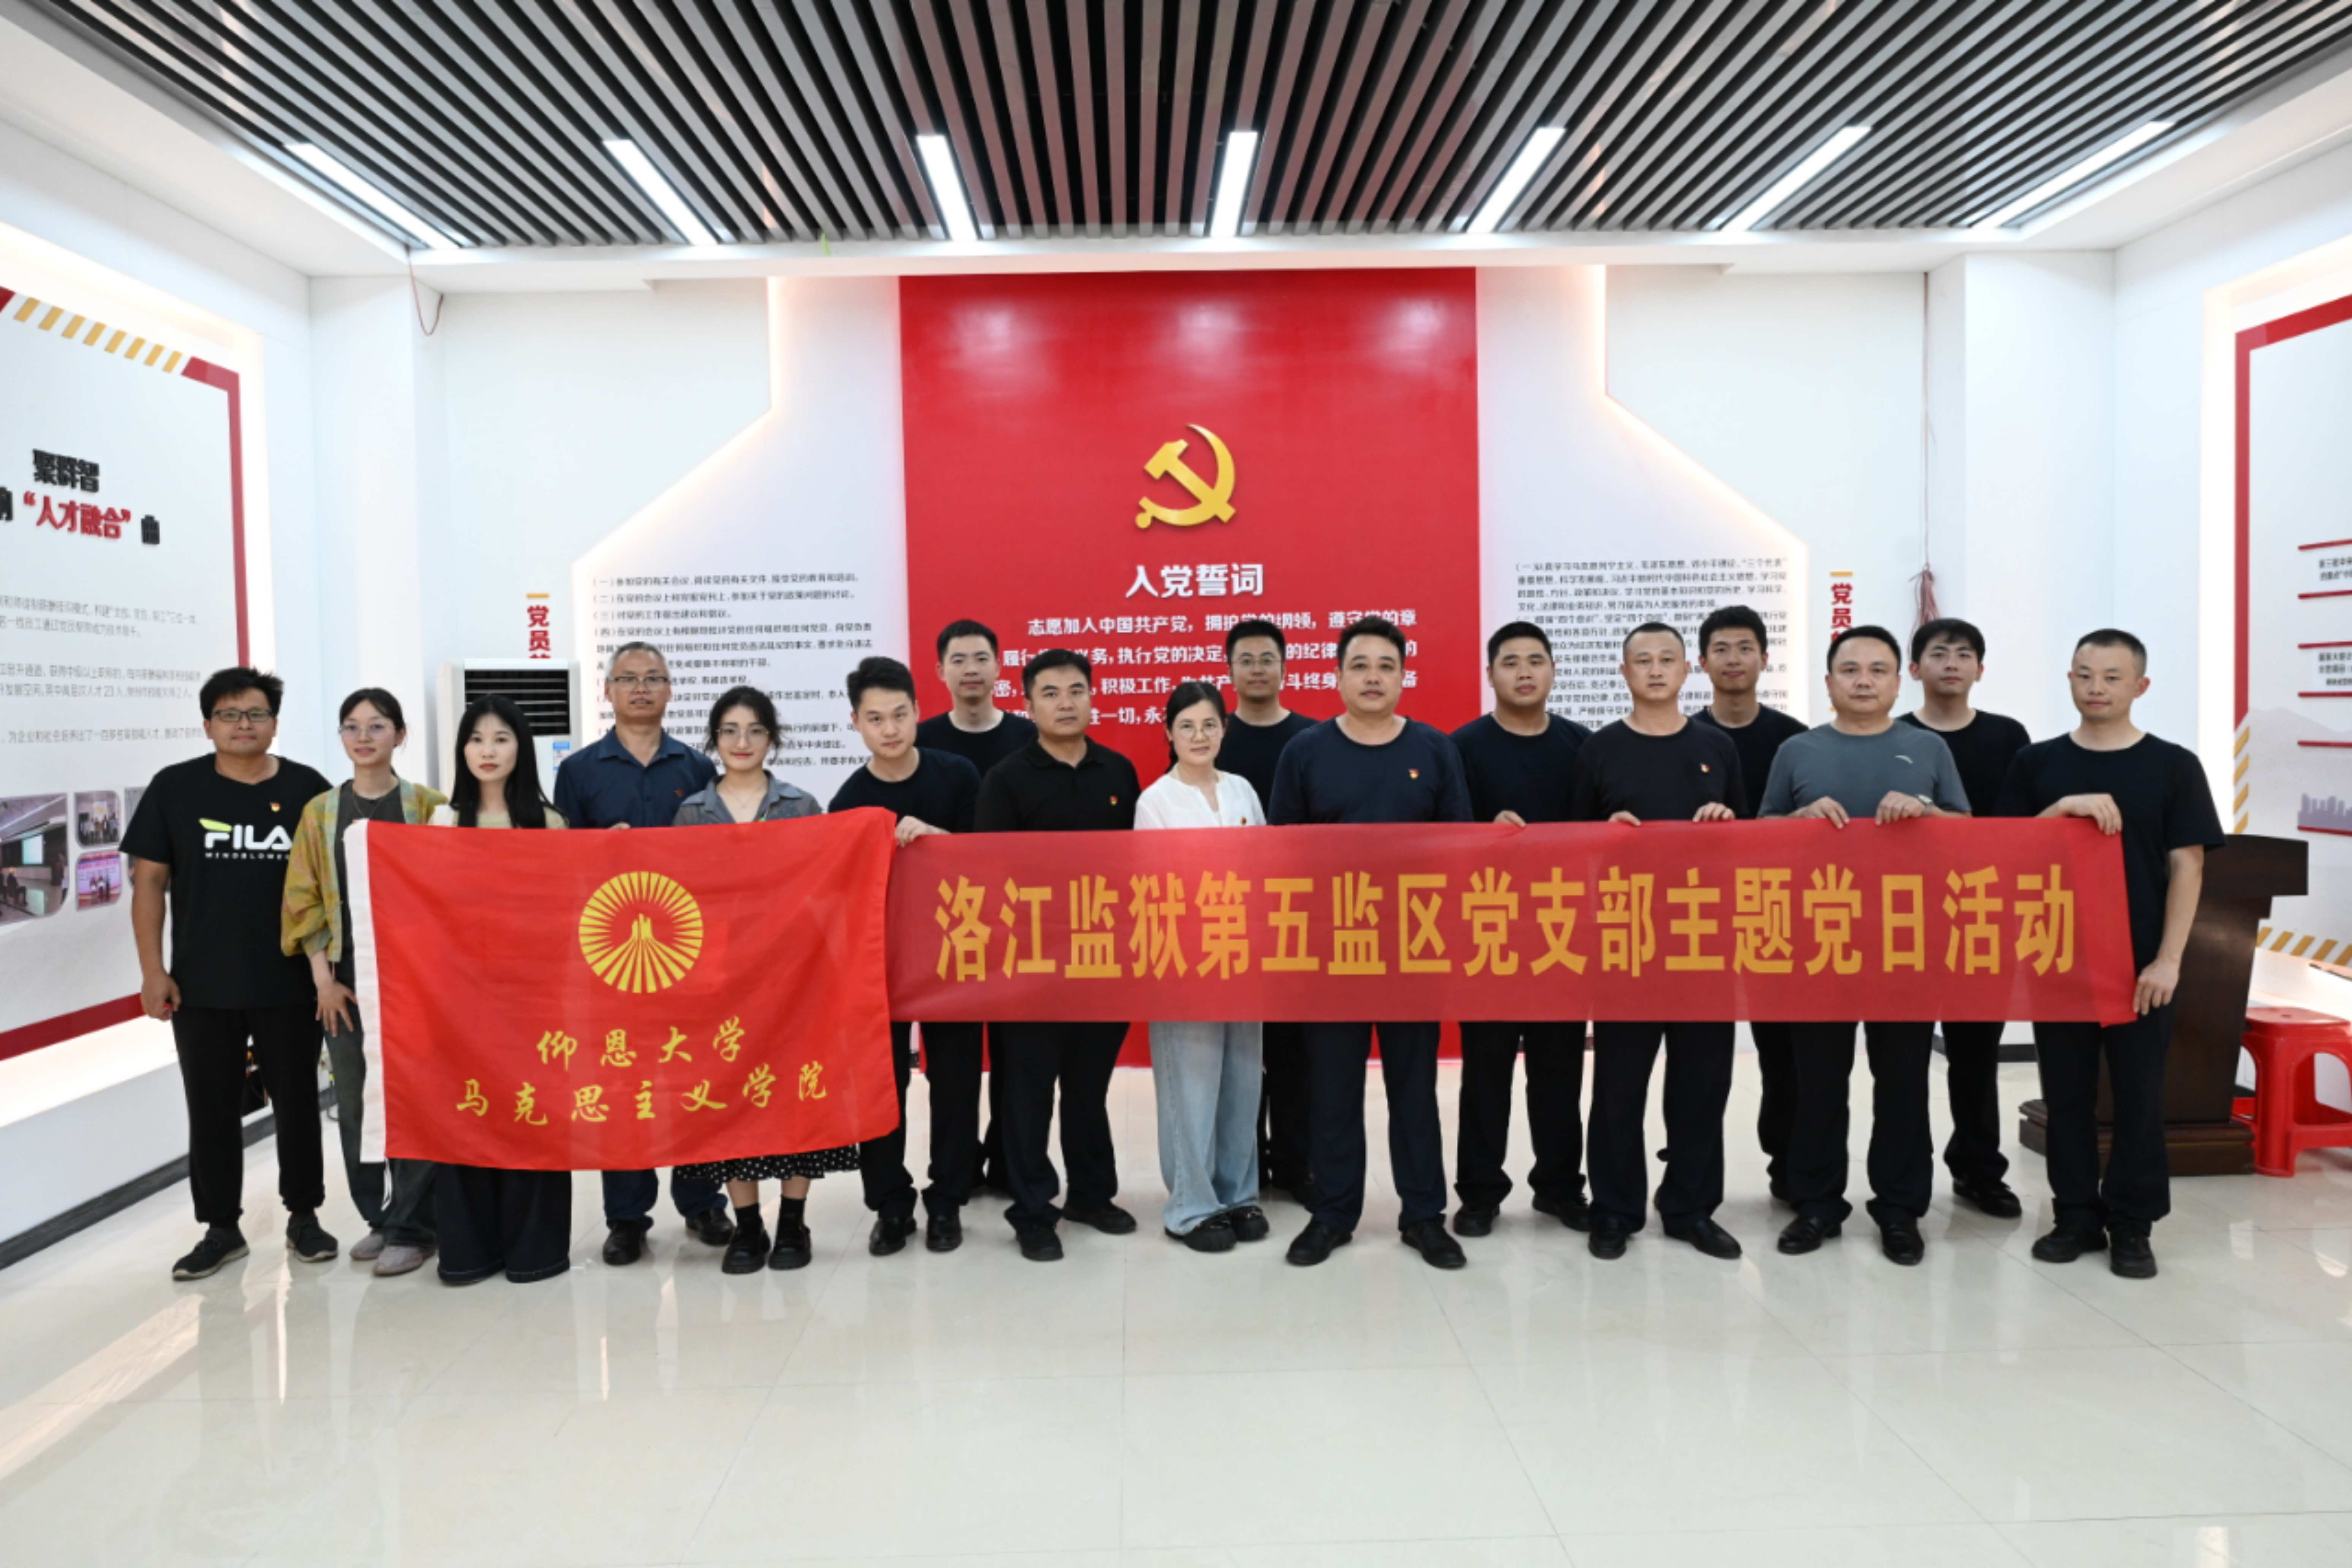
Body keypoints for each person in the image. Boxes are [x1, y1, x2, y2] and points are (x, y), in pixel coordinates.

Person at [1998, 629, 2221, 1280]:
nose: (2096, 688)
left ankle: (2132, 1222)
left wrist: (2169, 960)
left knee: (2139, 1096)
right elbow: (2004, 851)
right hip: (2057, 953)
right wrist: (2061, 808)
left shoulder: (2174, 766)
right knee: (2065, 1096)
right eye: (2084, 674)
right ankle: (2074, 1215)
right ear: (2069, 679)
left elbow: (2188, 866)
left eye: (2112, 677)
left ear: (2140, 686)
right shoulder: (2036, 763)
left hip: (2140, 962)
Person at [1761, 624, 1970, 1267]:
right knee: (1818, 1083)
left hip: (1905, 945)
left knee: (1903, 1082)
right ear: (1828, 682)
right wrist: (1795, 822)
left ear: (1898, 682)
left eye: (1878, 670)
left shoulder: (1928, 748)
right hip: (1819, 943)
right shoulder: (1797, 750)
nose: (1863, 681)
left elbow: (1969, 834)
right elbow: (1760, 834)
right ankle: (1817, 1204)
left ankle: (1900, 1210)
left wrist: (1927, 814)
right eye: (1850, 670)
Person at [1270, 616, 1471, 1271]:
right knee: (1331, 1091)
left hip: (1413, 948)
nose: (1374, 678)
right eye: (1360, 666)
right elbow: (1283, 855)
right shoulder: (1305, 752)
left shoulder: (1435, 750)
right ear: (1337, 677)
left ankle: (1424, 1216)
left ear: (1404, 676)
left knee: (1415, 1090)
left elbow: (1458, 849)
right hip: (1334, 951)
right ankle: (1333, 1214)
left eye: (1387, 666)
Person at [127, 667, 338, 1281]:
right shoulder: (175, 788)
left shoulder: (308, 789)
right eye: (229, 714)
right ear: (208, 725)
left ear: (274, 723)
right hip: (202, 985)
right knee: (211, 1107)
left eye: (256, 714)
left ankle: (304, 1217)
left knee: (298, 1103)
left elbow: (335, 882)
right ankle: (221, 1228)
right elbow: (149, 883)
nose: (243, 725)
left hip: (291, 981)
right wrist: (153, 972)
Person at [550, 640, 734, 1266]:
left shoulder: (698, 766)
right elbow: (561, 865)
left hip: (688, 949)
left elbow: (718, 857)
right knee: (622, 1079)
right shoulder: (579, 771)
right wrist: (602, 850)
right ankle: (627, 1216)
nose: (641, 688)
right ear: (607, 691)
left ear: (670, 690)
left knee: (692, 1074)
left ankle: (702, 1200)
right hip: (611, 955)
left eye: (654, 678)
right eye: (628, 678)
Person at [1568, 623, 1747, 1261]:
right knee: (1619, 1087)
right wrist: (1604, 834)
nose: (1655, 669)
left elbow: (1749, 843)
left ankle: (1690, 1208)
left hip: (1704, 942)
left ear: (1686, 669)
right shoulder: (1599, 750)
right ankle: (1615, 1209)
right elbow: (1570, 849)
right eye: (1642, 660)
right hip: (1627, 941)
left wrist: (1726, 823)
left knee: (1702, 1085)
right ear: (1624, 673)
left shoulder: (1717, 747)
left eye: (1667, 659)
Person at [668, 685, 854, 1273]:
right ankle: (747, 1227)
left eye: (754, 730)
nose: (742, 742)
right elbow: (678, 903)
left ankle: (793, 1222)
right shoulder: (693, 812)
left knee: (796, 1096)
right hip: (720, 982)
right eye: (730, 731)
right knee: (732, 1099)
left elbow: (830, 889)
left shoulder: (800, 805)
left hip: (794, 979)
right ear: (714, 740)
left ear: (772, 738)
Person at [973, 649, 1141, 1261]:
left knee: (1089, 1087)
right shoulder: (1007, 779)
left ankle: (1092, 1195)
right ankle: (1033, 1210)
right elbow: (991, 877)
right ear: (1028, 704)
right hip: (1032, 966)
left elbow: (1138, 866)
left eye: (1076, 691)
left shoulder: (1118, 772)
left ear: (1092, 698)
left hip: (1103, 960)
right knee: (1029, 1093)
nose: (1066, 703)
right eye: (1050, 693)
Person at [279, 688, 447, 1277]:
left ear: (400, 735)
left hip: (418, 982)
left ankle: (415, 1227)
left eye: (377, 726)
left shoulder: (429, 806)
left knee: (415, 1100)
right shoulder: (321, 812)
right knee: (355, 1102)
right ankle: (380, 1217)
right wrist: (323, 981)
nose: (364, 737)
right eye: (352, 727)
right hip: (347, 979)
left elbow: (452, 894)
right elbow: (302, 900)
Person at [828, 656, 986, 1255]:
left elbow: (991, 862)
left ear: (919, 712)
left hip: (954, 955)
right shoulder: (849, 802)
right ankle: (890, 1204)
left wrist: (941, 844)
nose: (890, 729)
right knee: (880, 1083)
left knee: (956, 1080)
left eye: (900, 714)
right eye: (876, 719)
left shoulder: (959, 776)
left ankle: (948, 1199)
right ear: (856, 723)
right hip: (879, 965)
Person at [1448, 622, 1593, 1237]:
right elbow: (1442, 837)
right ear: (1491, 675)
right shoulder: (1461, 747)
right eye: (1511, 662)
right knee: (1487, 1073)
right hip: (1490, 931)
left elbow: (1599, 837)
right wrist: (1483, 836)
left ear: (1554, 671)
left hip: (1562, 931)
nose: (1525, 672)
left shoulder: (1582, 745)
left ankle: (1559, 1187)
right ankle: (1480, 1193)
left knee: (1559, 1071)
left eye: (1537, 660)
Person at [429, 695, 573, 1284]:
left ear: (522, 749)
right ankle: (470, 1249)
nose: (487, 751)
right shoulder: (441, 822)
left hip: (533, 1000)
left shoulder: (550, 823)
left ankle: (535, 1249)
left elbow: (564, 915)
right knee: (465, 1113)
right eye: (476, 739)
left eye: (501, 738)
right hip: (459, 1000)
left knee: (532, 1115)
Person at [1901, 616, 2034, 1220]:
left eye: (1963, 654)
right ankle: (1906, 1177)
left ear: (1980, 668)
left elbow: (2021, 828)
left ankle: (1979, 1170)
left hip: (1982, 913)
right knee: (1903, 1058)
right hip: (1905, 917)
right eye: (1938, 653)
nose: (1951, 663)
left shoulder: (2009, 737)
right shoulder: (1893, 734)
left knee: (1977, 1054)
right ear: (1915, 669)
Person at [1136, 680, 1270, 1253]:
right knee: (1190, 1084)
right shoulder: (1155, 800)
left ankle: (1238, 1195)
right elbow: (1153, 885)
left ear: (1224, 729)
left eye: (1210, 725)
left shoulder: (1242, 790)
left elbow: (1267, 866)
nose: (1199, 736)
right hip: (1184, 960)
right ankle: (1191, 1206)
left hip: (1243, 955)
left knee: (1242, 1079)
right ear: (1169, 733)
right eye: (1187, 726)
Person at [1690, 603, 1811, 1206]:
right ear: (1702, 662)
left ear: (1765, 659)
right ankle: (1688, 1170)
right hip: (1700, 918)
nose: (1733, 660)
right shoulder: (1682, 736)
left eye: (1745, 649)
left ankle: (1787, 1166)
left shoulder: (1795, 740)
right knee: (1696, 1056)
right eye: (1721, 649)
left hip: (1776, 914)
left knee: (1782, 1051)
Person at [914, 618, 1038, 1196]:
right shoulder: (921, 741)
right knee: (953, 1065)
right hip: (948, 925)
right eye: (959, 660)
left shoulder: (1027, 737)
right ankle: (954, 1174)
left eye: (981, 658)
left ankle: (1013, 1167)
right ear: (940, 671)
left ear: (999, 667)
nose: (971, 670)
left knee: (1019, 1061)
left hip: (1019, 919)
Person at [1216, 616, 1318, 1206]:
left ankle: (1297, 1164)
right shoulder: (1212, 736)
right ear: (1229, 670)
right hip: (1228, 915)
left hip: (1295, 916)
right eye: (1246, 660)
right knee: (1238, 1050)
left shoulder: (1311, 739)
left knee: (1292, 1050)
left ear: (1285, 667)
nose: (1257, 669)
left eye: (1267, 659)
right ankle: (1245, 1163)